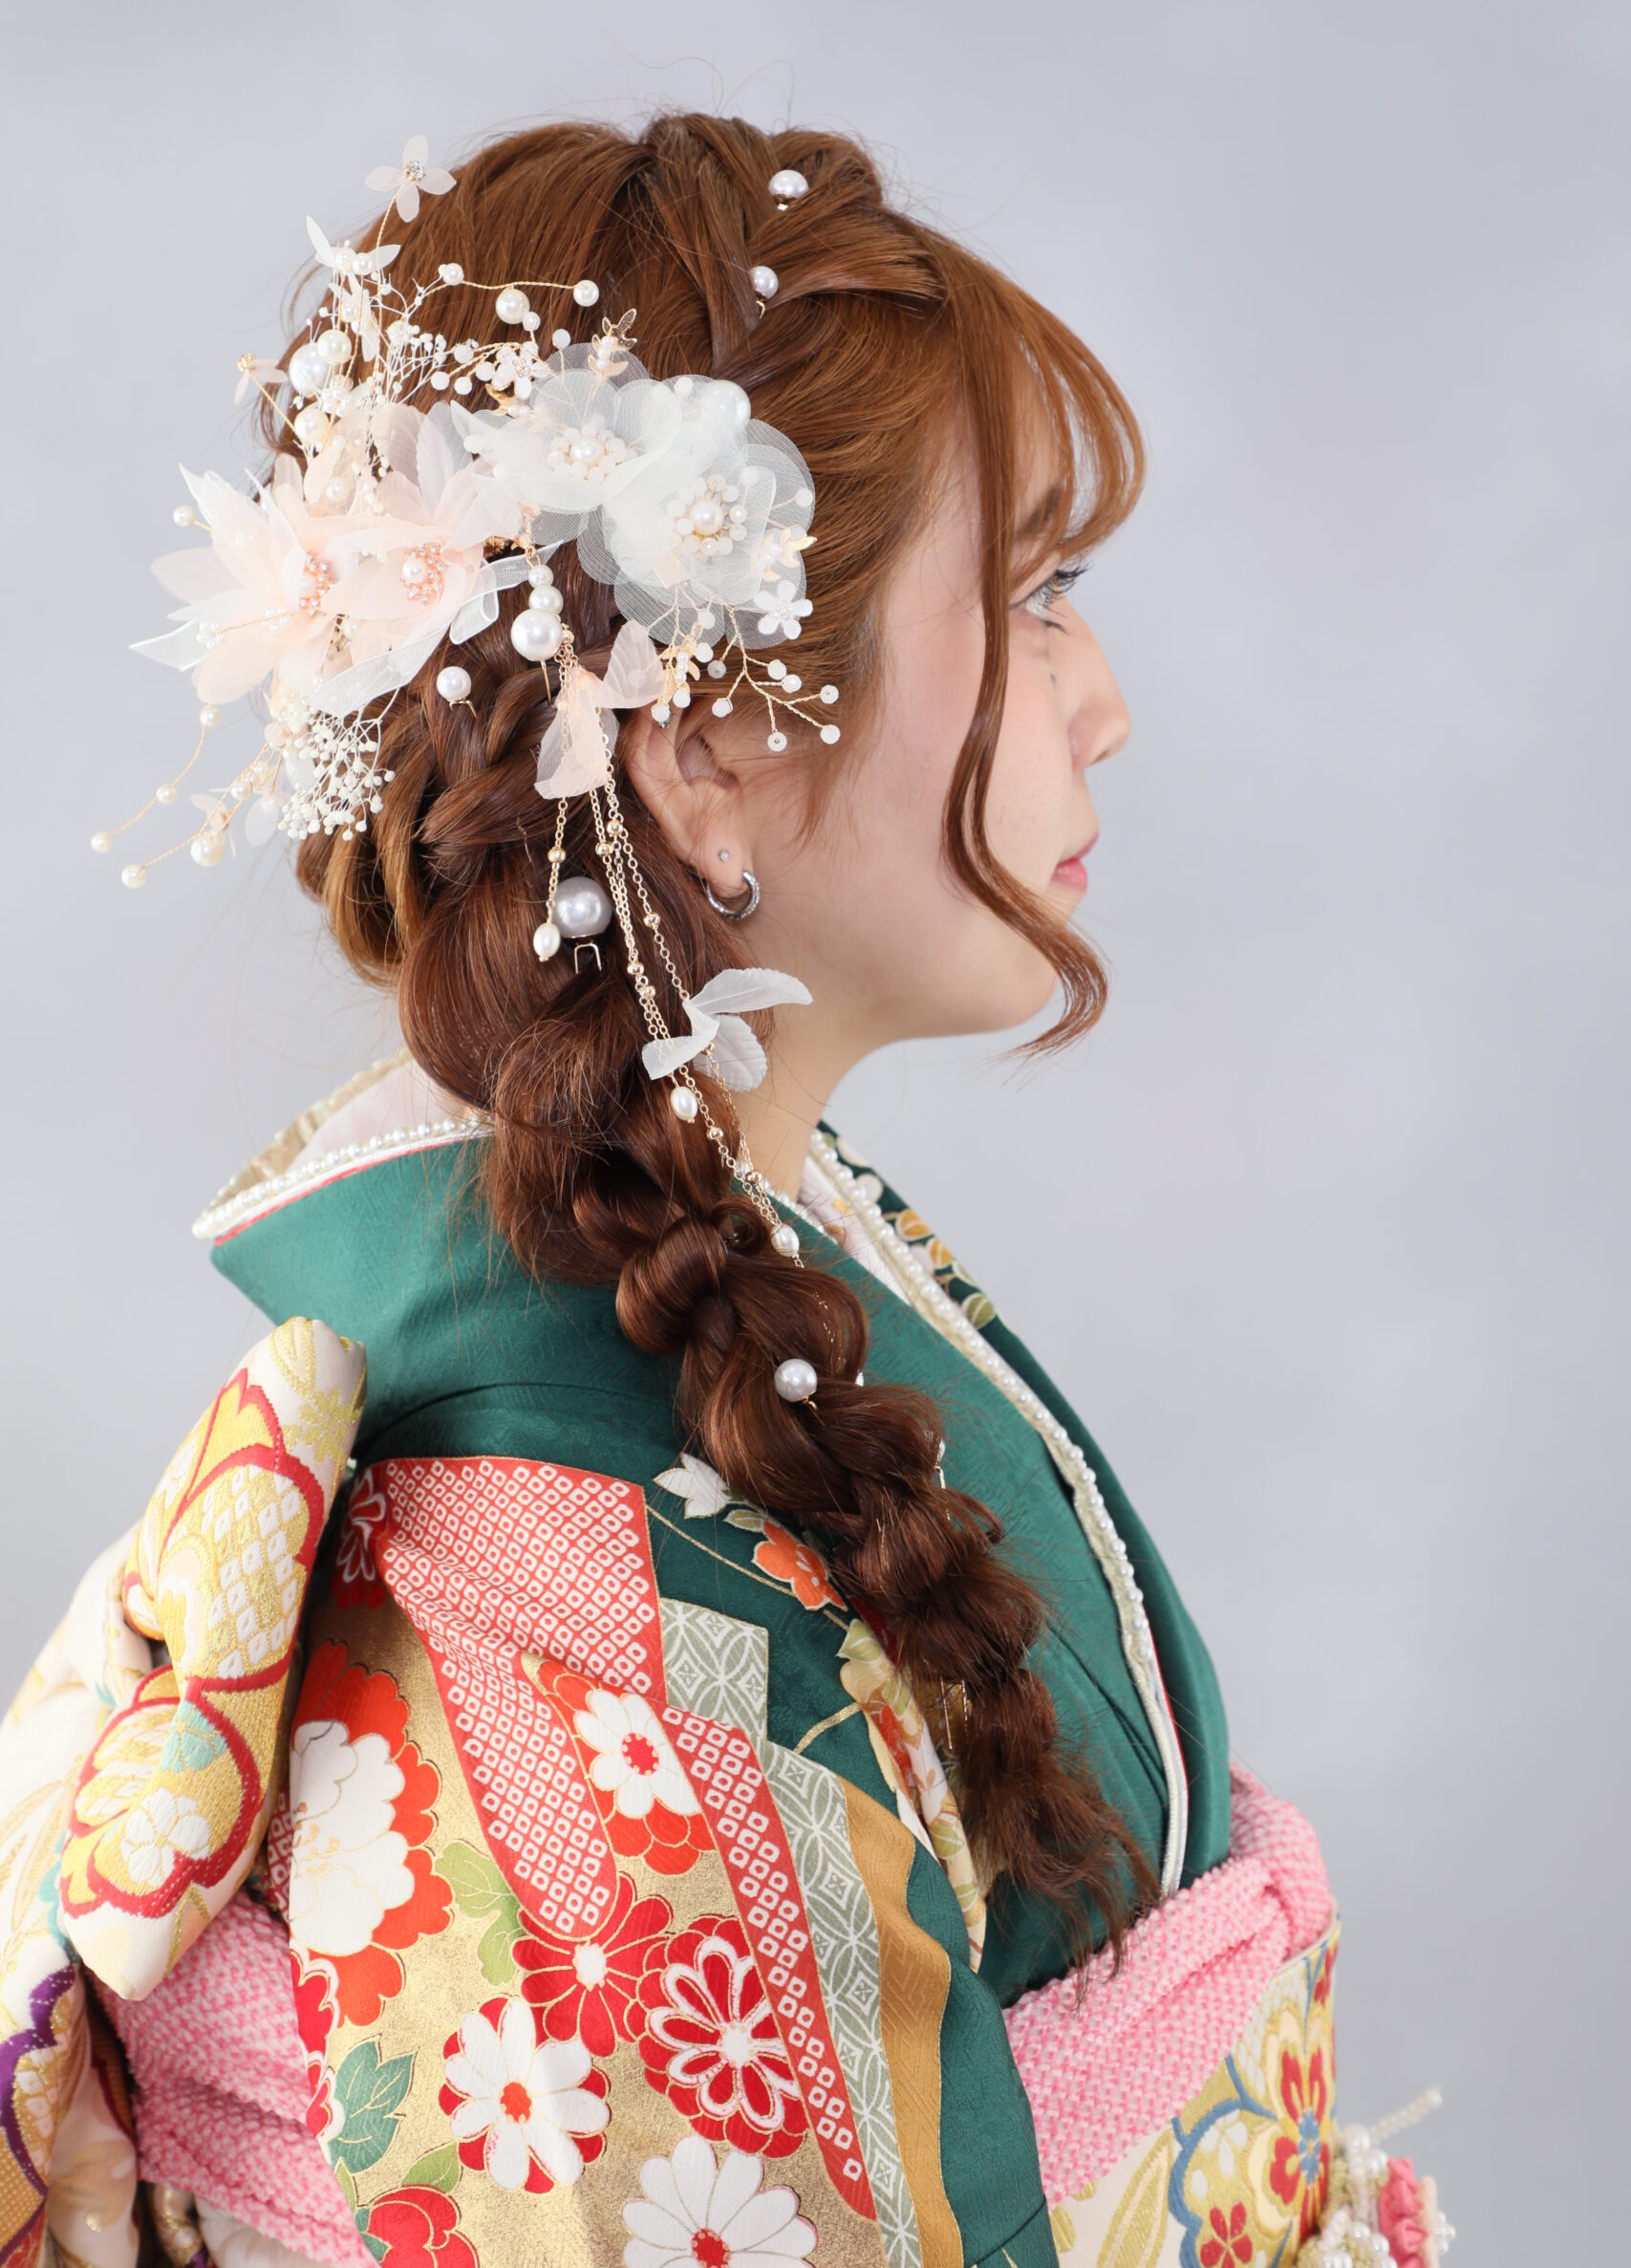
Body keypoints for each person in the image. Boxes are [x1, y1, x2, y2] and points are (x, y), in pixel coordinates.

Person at [0, 115, 1449, 2268]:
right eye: (1034, 598)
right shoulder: (547, 1616)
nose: (1108, 705)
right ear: (698, 753)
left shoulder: (736, 1237)